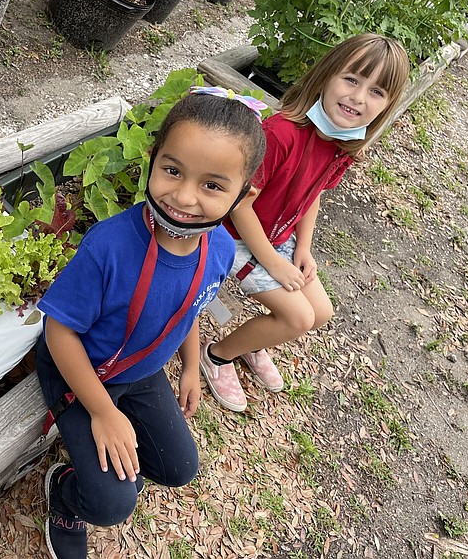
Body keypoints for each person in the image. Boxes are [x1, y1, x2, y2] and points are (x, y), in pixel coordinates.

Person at [35, 88, 268, 559]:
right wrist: (102, 412)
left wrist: (189, 366)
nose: (183, 196)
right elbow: (59, 332)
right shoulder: (110, 246)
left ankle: (96, 460)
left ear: (244, 196)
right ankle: (65, 494)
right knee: (111, 504)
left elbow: (193, 307)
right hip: (82, 370)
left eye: (213, 185)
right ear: (152, 158)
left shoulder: (219, 249)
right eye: (173, 170)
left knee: (178, 468)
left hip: (139, 373)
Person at [200, 33, 410, 412]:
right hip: (233, 237)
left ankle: (253, 342)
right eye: (352, 79)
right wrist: (275, 262)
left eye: (376, 91)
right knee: (298, 317)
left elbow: (313, 194)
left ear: (387, 106)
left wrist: (302, 247)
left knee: (321, 314)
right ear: (328, 75)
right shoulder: (281, 133)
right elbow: (237, 207)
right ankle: (216, 355)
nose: (358, 98)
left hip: (278, 235)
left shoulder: (342, 141)